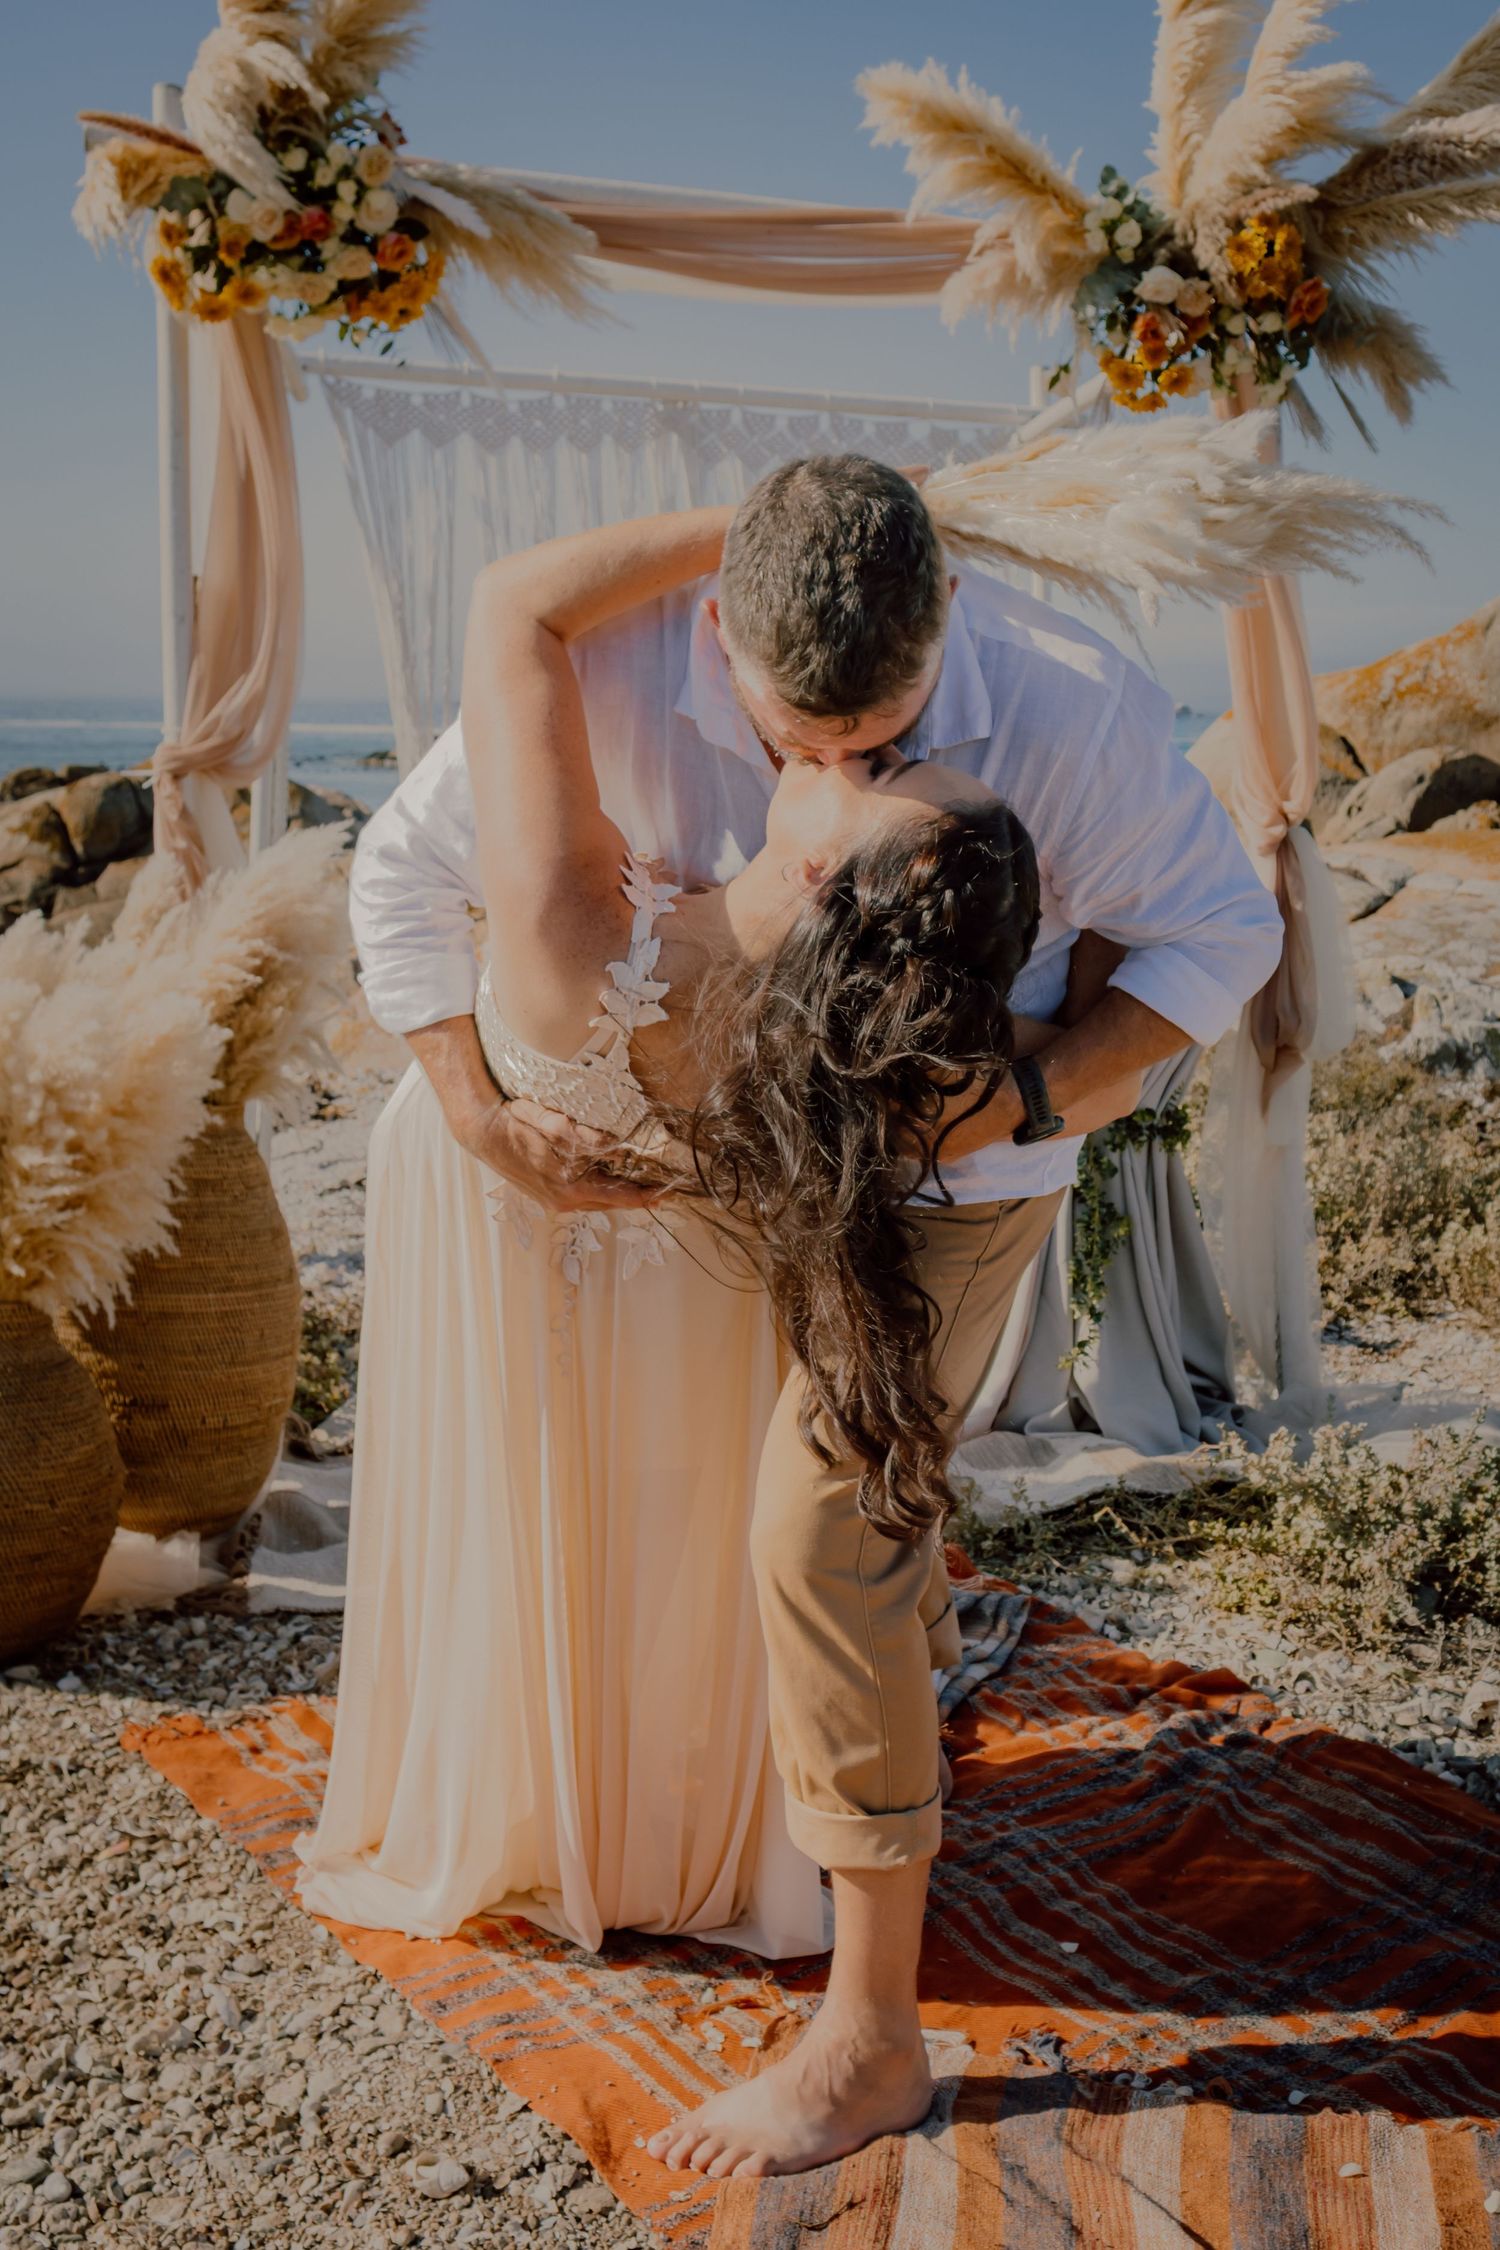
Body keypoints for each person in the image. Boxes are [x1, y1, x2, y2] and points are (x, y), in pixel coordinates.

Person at [333, 459, 1285, 2176]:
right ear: (718, 637)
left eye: (886, 740)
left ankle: (869, 2037)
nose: (838, 776)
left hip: (954, 1183)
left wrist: (1035, 1096)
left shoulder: (1069, 710)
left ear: (950, 634)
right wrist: (477, 1112)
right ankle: (779, 1778)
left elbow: (1219, 930)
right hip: (693, 1185)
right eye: (797, 743)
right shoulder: (616, 678)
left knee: (815, 1521)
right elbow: (404, 885)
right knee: (749, 1519)